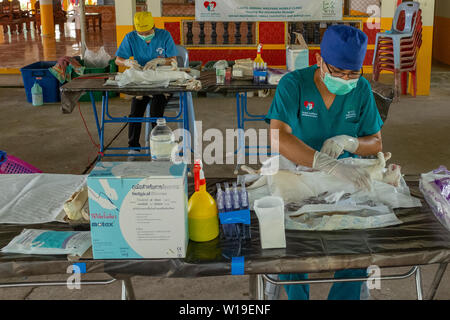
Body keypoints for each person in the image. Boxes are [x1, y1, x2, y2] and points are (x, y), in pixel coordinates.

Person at [265, 25, 384, 300]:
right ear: (319, 60)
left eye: (352, 73)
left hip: (344, 179)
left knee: (354, 248)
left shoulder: (361, 89)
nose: (345, 79)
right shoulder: (293, 84)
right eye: (338, 72)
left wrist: (351, 143)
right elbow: (277, 136)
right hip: (298, 172)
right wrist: (322, 162)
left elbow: (376, 142)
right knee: (293, 247)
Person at [115, 12, 178, 160]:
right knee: (136, 110)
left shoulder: (164, 35)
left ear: (153, 28)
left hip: (161, 80)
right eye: (141, 33)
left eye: (147, 33)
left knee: (156, 111)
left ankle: (156, 147)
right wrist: (126, 62)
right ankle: (133, 148)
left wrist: (160, 61)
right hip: (142, 80)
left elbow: (173, 59)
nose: (144, 35)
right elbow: (118, 59)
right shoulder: (130, 37)